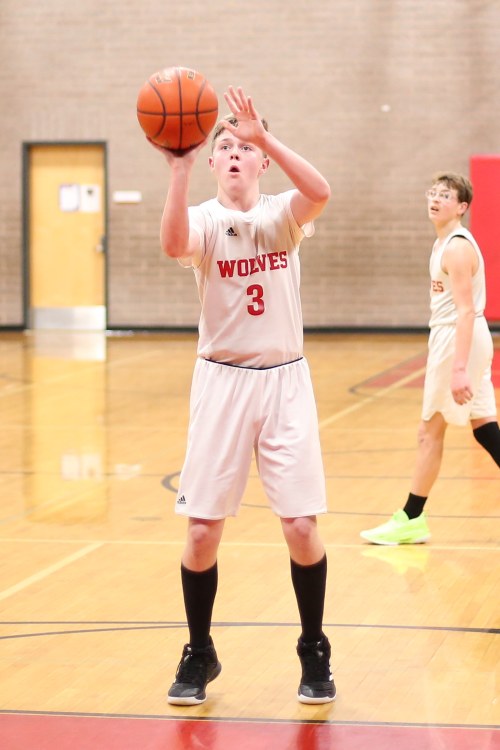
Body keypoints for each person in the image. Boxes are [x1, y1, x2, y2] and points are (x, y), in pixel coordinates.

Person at [152, 86, 335, 705]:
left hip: (285, 382)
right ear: (213, 162)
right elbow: (173, 245)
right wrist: (178, 170)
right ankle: (199, 651)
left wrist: (267, 137)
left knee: (301, 527)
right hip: (222, 382)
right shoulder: (204, 219)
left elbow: (321, 191)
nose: (234, 153)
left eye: (244, 147)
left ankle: (313, 647)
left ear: (260, 161)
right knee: (202, 532)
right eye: (224, 146)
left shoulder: (284, 214)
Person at [361, 172, 500, 546]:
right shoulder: (442, 243)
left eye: (445, 195)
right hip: (462, 338)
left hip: (456, 338)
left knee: (429, 432)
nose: (436, 199)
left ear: (462, 207)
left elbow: (466, 311)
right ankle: (412, 518)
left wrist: (458, 367)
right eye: (433, 193)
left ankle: (411, 518)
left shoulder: (456, 248)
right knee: (485, 428)